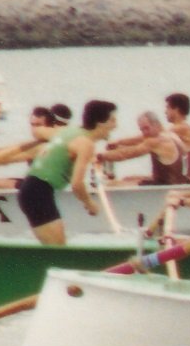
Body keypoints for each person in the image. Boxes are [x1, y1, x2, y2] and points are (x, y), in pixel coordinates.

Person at [19, 100, 118, 246]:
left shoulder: (71, 132)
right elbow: (77, 184)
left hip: (32, 190)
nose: (116, 125)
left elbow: (40, 132)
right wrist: (90, 203)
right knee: (57, 249)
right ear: (100, 123)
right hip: (37, 193)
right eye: (112, 120)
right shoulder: (86, 144)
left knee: (56, 246)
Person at [99, 110, 190, 186]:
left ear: (156, 124)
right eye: (142, 129)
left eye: (146, 128)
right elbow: (139, 139)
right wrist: (118, 143)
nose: (144, 132)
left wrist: (101, 156)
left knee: (115, 184)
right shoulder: (170, 135)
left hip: (165, 187)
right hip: (177, 182)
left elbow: (127, 154)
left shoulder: (156, 142)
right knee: (128, 179)